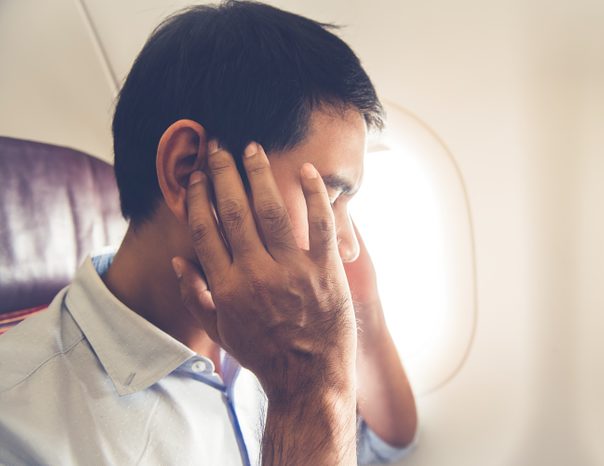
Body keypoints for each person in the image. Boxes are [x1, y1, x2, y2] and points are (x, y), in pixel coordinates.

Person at [0, 1, 417, 465]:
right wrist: (306, 386)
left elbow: (386, 445)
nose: (347, 242)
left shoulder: (266, 325)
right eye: (326, 195)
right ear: (187, 170)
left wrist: (366, 308)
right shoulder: (18, 426)